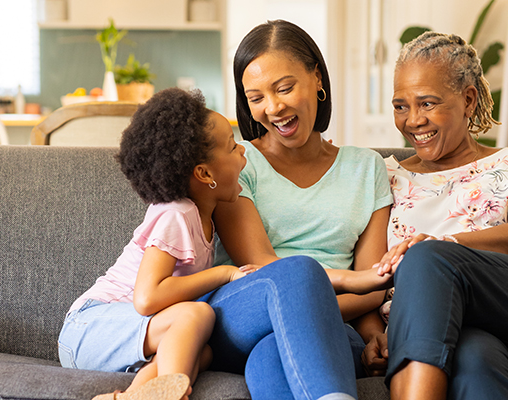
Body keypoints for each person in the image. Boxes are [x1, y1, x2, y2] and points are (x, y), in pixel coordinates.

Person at [365, 32, 508, 399]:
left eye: (427, 103)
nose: (412, 120)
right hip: (446, 333)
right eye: (400, 106)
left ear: (469, 99)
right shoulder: (382, 176)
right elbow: (367, 270)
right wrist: (370, 333)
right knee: (474, 362)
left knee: (427, 258)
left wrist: (443, 247)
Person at [210, 20, 394, 399]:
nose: (273, 108)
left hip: (331, 326)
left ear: (317, 78)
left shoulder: (366, 167)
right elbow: (265, 270)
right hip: (245, 314)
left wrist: (376, 337)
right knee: (290, 278)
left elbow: (372, 287)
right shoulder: (238, 165)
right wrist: (322, 303)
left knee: (270, 355)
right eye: (256, 97)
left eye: (285, 88)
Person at [58, 88, 252, 400]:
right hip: (89, 327)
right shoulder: (177, 214)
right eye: (232, 147)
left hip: (123, 338)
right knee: (196, 315)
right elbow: (147, 299)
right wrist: (225, 274)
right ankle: (174, 393)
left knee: (201, 353)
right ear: (204, 173)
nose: (242, 151)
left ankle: (134, 396)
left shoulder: (204, 218)